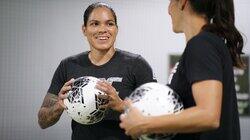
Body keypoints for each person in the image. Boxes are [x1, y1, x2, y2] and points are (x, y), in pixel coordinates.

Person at [119, 0, 245, 140]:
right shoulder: (206, 43)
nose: (168, 10)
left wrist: (144, 124)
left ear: (183, 3)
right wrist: (125, 107)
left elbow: (208, 115)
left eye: (170, 1)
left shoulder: (201, 44)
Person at [37, 2, 156, 140]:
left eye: (109, 23)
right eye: (95, 24)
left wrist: (121, 105)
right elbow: (42, 121)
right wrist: (59, 105)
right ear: (84, 29)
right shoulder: (68, 65)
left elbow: (157, 116)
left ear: (116, 29)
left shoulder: (136, 64)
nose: (103, 29)